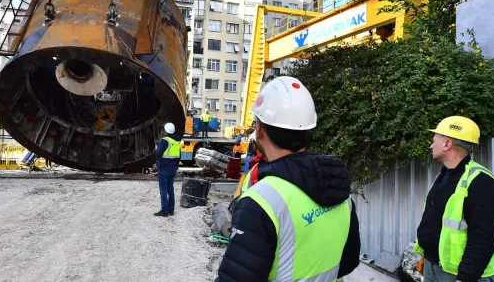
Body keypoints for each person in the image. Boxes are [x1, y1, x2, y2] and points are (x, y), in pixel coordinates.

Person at [216, 76, 360, 282]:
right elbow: (348, 262)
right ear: (307, 131)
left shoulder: (261, 201)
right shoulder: (339, 188)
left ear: (260, 129)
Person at [414, 116, 494, 282]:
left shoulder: (481, 182)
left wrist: (465, 278)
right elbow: (435, 221)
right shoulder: (443, 176)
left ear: (447, 144)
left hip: (458, 275)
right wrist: (425, 255)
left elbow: (483, 238)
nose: (430, 145)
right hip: (433, 266)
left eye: (434, 140)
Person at [154, 122, 182, 217]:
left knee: (163, 190)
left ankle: (164, 211)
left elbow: (158, 153)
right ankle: (171, 210)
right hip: (172, 168)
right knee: (171, 189)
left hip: (164, 167)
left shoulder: (165, 140)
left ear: (165, 131)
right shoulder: (177, 141)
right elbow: (179, 156)